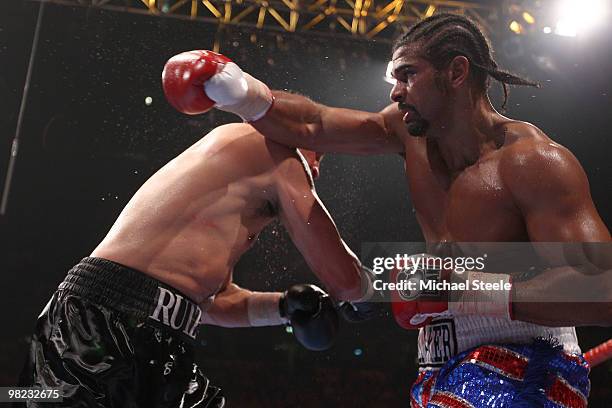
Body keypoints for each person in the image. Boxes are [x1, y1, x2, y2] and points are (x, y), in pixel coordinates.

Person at [162, 13, 612, 407]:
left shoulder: (533, 162)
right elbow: (314, 123)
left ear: (456, 72)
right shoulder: (406, 133)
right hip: (438, 364)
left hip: (525, 364)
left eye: (407, 75)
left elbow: (602, 288)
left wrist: (467, 287)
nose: (395, 92)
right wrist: (239, 92)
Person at [18, 122, 375, 407]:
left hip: (160, 337)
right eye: (318, 157)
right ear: (292, 128)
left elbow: (213, 303)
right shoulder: (270, 146)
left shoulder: (232, 191)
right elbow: (341, 275)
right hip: (99, 320)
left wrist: (285, 307)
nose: (314, 169)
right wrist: (364, 291)